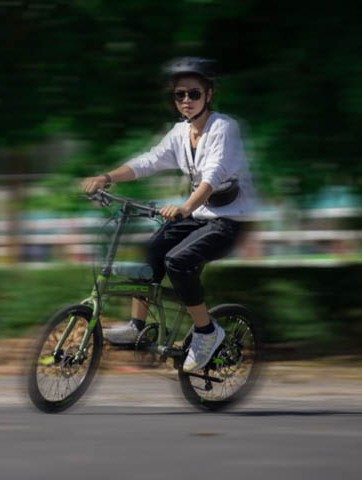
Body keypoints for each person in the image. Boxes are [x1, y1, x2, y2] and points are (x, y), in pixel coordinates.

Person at [81, 57, 256, 373]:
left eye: (194, 93)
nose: (187, 101)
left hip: (230, 220)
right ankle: (137, 324)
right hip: (200, 215)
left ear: (209, 94)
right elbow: (149, 161)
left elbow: (213, 175)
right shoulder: (180, 133)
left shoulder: (223, 128)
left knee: (178, 260)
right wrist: (107, 177)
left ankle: (207, 331)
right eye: (180, 95)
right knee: (152, 250)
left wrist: (185, 207)